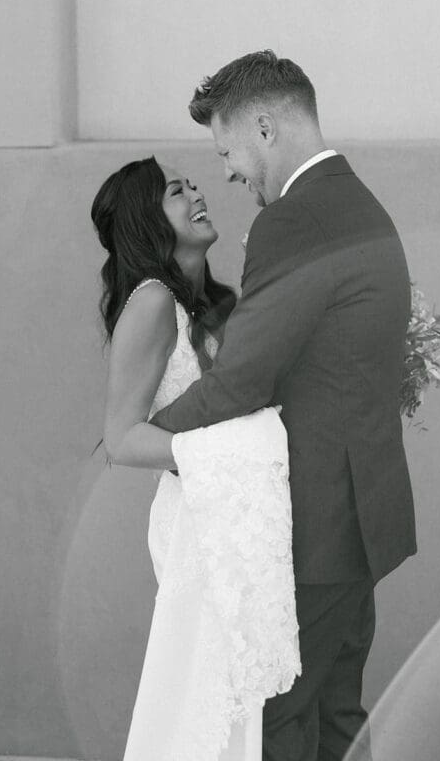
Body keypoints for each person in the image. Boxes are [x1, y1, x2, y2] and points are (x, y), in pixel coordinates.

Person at [148, 50, 416, 761]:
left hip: (315, 526)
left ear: (265, 128)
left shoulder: (296, 221)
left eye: (228, 148)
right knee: (336, 717)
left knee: (279, 723)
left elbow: (242, 382)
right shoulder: (358, 204)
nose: (229, 171)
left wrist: (143, 440)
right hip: (361, 518)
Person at [93, 156, 301, 761]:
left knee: (239, 689)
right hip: (199, 518)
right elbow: (121, 439)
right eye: (176, 193)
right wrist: (221, 456)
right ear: (146, 222)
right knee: (201, 693)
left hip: (238, 510)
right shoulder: (153, 301)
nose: (196, 195)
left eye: (192, 185)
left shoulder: (218, 302)